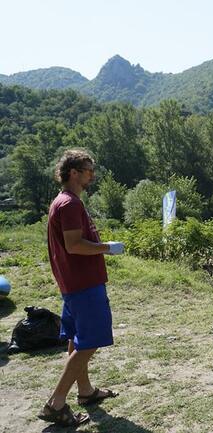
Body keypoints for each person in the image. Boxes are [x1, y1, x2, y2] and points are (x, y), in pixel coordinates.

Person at [38, 149, 124, 427]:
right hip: (84, 285)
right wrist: (107, 248)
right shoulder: (70, 204)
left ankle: (85, 391)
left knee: (77, 338)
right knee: (92, 341)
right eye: (88, 170)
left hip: (73, 284)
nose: (92, 175)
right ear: (73, 172)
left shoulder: (63, 202)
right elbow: (74, 245)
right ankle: (56, 403)